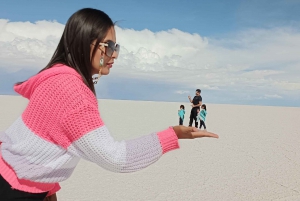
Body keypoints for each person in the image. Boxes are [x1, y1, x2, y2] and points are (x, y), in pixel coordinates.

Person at [0, 8, 219, 201]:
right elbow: (116, 158)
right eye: (109, 46)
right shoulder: (72, 91)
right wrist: (173, 134)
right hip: (14, 188)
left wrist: (47, 189)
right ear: (85, 43)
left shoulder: (56, 77)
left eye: (117, 47)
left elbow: (43, 142)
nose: (114, 54)